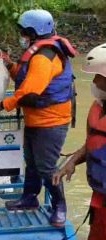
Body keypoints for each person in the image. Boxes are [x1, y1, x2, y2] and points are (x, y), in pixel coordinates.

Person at [0, 9, 77, 227]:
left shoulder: (45, 57)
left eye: (24, 32)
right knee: (32, 163)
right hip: (37, 119)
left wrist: (2, 105)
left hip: (51, 121)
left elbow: (28, 92)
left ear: (33, 31)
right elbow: (25, 76)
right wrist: (10, 65)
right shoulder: (38, 53)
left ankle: (59, 205)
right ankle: (30, 198)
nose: (22, 36)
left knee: (46, 166)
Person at [53, 43, 106, 239]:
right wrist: (72, 161)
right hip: (100, 198)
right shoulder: (99, 106)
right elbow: (94, 143)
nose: (94, 82)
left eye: (98, 77)